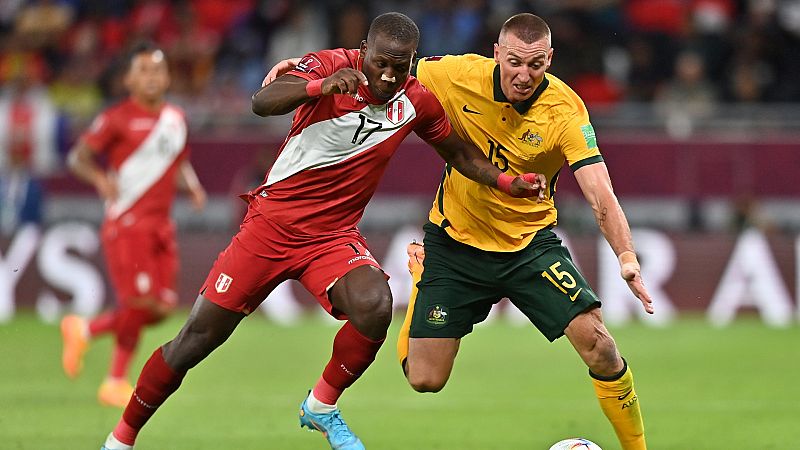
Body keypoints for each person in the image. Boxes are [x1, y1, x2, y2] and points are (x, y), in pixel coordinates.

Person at [99, 12, 542, 450]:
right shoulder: (331, 65)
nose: (387, 76)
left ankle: (321, 405)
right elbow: (263, 101)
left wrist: (509, 182)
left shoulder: (415, 101)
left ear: (412, 63)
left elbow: (461, 154)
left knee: (375, 305)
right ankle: (121, 439)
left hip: (332, 238)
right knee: (193, 342)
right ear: (364, 52)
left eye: (399, 66)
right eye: (380, 63)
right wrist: (317, 87)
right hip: (270, 229)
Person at [265, 12, 654, 450]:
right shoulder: (454, 75)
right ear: (496, 55)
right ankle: (422, 275)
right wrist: (307, 66)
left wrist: (626, 257)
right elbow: (379, 64)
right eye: (514, 62)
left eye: (535, 65)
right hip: (455, 244)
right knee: (424, 379)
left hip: (529, 246)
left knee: (600, 346)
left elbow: (601, 194)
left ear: (549, 60)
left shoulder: (566, 111)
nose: (523, 75)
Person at [61, 43, 207, 408]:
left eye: (158, 70)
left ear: (169, 76)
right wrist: (99, 179)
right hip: (127, 222)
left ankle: (83, 329)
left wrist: (192, 186)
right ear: (127, 79)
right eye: (143, 70)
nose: (152, 77)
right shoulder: (116, 118)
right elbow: (78, 157)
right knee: (138, 302)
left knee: (161, 308)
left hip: (161, 225)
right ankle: (114, 380)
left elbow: (178, 160)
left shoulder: (176, 118)